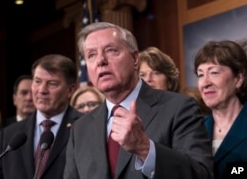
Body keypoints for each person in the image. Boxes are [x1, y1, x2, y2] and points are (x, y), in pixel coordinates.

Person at [64, 22, 214, 179]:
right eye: (91, 55)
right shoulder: (79, 128)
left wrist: (145, 148)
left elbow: (202, 174)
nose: (100, 60)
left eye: (111, 50)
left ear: (135, 59)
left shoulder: (179, 108)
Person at [0, 54, 83, 179]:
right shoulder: (9, 136)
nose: (42, 90)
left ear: (70, 90)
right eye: (37, 81)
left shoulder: (85, 128)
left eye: (52, 83)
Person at [194, 40, 247, 179]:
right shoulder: (195, 130)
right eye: (200, 75)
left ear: (239, 78)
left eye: (214, 72)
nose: (205, 83)